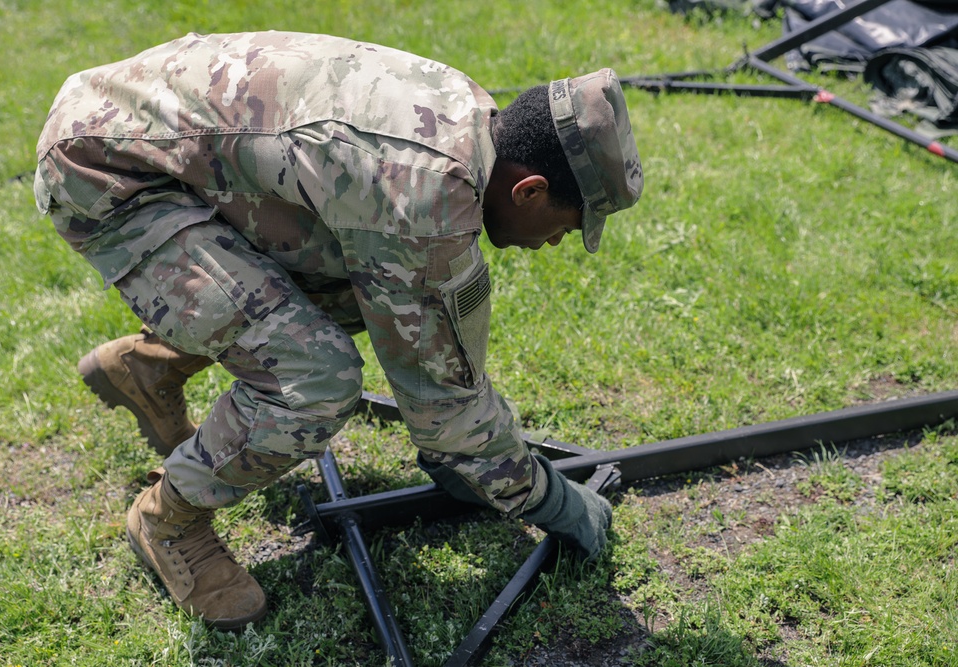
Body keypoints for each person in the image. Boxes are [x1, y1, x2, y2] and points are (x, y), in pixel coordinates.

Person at [35, 31, 643, 630]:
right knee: (315, 380)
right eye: (570, 224)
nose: (560, 242)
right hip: (109, 171)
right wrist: (559, 504)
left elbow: (416, 334)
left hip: (157, 135)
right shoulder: (425, 197)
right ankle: (167, 520)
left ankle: (148, 368)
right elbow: (448, 408)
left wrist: (462, 453)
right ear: (529, 189)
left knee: (369, 294)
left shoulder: (471, 118)